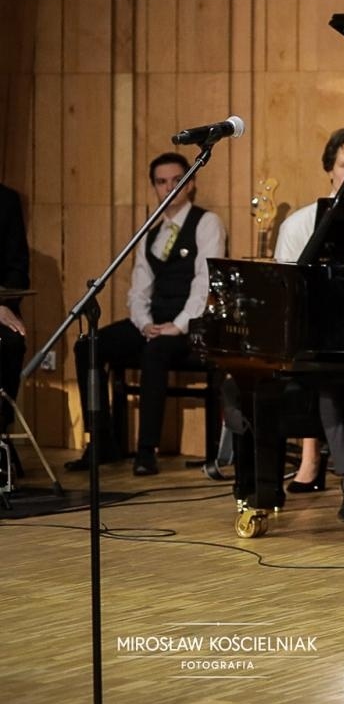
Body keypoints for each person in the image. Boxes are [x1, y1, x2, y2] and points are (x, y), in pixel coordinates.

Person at [71, 153, 227, 475]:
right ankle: (101, 440)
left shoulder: (207, 223)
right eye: (161, 182)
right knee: (88, 345)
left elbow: (205, 283)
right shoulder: (151, 233)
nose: (169, 188)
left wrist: (178, 326)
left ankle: (146, 451)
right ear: (154, 187)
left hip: (192, 324)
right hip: (154, 319)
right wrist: (145, 324)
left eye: (177, 180)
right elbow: (139, 290)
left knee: (155, 351)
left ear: (190, 184)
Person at [272, 125, 344, 523]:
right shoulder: (299, 225)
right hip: (320, 338)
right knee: (332, 379)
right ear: (329, 169)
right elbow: (287, 295)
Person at [0, 183, 29, 441]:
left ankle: (1, 432)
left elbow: (17, 270)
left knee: (11, 340)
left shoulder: (6, 200)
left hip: (1, 306)